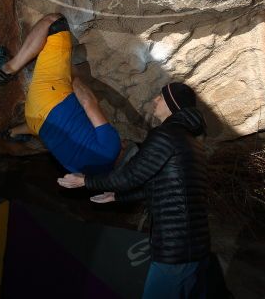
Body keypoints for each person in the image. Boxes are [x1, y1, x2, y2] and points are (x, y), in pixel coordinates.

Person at [58, 82, 210, 299]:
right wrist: (118, 196)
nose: (155, 100)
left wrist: (87, 181)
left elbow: (131, 175)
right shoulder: (193, 144)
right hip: (195, 249)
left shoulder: (166, 135)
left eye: (161, 96)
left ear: (172, 102)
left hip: (174, 249)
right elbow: (160, 189)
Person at [0, 13, 121, 174]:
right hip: (36, 121)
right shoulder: (84, 172)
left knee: (54, 22)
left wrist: (71, 77)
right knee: (53, 130)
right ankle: (12, 133)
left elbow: (89, 102)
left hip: (49, 97)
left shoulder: (112, 147)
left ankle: (6, 70)